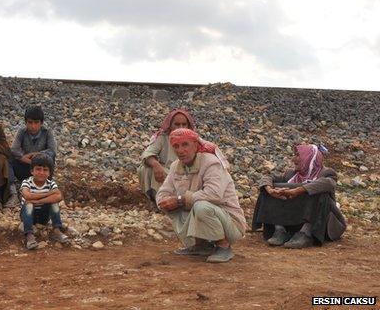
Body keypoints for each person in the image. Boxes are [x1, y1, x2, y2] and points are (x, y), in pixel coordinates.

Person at [156, 128, 246, 263]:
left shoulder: (211, 163)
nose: (180, 150)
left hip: (231, 224)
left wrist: (180, 199)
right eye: (176, 146)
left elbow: (214, 195)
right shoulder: (176, 166)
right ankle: (201, 245)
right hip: (207, 214)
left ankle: (223, 245)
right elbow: (163, 192)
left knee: (201, 206)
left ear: (196, 145)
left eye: (185, 144)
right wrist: (165, 201)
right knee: (171, 204)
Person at [252, 144, 346, 248]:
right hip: (294, 220)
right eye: (294, 155)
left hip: (319, 223)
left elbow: (328, 183)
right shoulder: (291, 174)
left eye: (298, 155)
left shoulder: (327, 173)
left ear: (309, 157)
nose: (293, 159)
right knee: (270, 189)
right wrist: (270, 189)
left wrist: (298, 190)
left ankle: (305, 234)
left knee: (319, 192)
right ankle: (280, 230)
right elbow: (268, 177)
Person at [139, 109, 228, 205]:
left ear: (188, 126)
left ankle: (180, 201)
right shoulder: (163, 138)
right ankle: (159, 201)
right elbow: (147, 154)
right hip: (168, 172)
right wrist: (156, 165)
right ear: (170, 125)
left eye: (184, 124)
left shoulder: (194, 141)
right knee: (146, 168)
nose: (180, 127)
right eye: (177, 124)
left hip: (189, 176)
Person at [20, 154, 69, 250]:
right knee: (29, 204)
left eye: (45, 170)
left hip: (44, 216)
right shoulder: (27, 182)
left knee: (54, 203)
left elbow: (58, 197)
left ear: (49, 173)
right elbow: (27, 196)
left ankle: (57, 230)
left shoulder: (51, 183)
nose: (41, 172)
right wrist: (49, 194)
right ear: (32, 171)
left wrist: (37, 201)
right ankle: (29, 235)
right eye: (38, 169)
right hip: (28, 215)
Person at [9, 106, 57, 191]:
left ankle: (46, 182)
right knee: (9, 158)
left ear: (41, 123)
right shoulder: (22, 131)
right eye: (30, 122)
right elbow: (14, 149)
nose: (33, 126)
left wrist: (36, 155)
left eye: (36, 122)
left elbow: (52, 150)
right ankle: (11, 187)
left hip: (41, 166)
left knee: (50, 157)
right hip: (26, 167)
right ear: (26, 122)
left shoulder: (47, 132)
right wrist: (26, 159)